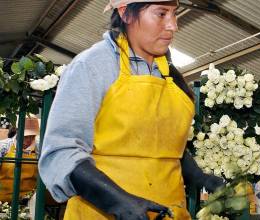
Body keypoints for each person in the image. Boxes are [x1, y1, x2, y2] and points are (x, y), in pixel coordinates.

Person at [38, 0, 224, 219]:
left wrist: (199, 177)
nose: (173, 25)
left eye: (175, 14)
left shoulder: (168, 73)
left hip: (169, 210)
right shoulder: (93, 66)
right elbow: (62, 151)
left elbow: (156, 142)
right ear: (125, 13)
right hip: (101, 213)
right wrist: (116, 201)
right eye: (161, 14)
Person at [0, 117, 39, 202]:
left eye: (32, 136)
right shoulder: (4, 147)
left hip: (28, 202)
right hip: (2, 201)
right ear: (18, 131)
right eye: (26, 136)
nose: (29, 140)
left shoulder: (38, 149)